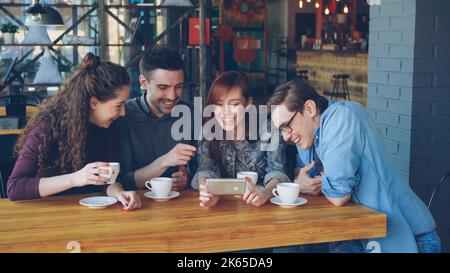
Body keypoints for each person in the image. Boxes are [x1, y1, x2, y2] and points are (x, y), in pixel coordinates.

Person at [268, 80, 440, 253]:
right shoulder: (307, 135)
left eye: (286, 126)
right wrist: (302, 180)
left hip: (407, 238)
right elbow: (304, 172)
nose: (285, 137)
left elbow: (338, 196)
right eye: (281, 130)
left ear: (310, 109)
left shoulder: (342, 117)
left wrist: (316, 184)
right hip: (361, 236)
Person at [7, 53, 141, 211]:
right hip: (45, 213)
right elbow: (14, 187)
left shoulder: (107, 125)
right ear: (94, 103)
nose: (123, 113)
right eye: (119, 105)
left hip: (86, 214)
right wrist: (75, 178)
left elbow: (106, 181)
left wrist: (119, 192)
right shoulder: (46, 127)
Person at [193, 71, 290, 208]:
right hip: (224, 208)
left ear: (248, 104)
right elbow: (205, 168)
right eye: (219, 104)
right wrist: (206, 191)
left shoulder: (268, 128)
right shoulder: (207, 131)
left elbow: (278, 171)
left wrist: (265, 193)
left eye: (234, 105)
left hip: (262, 209)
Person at [114, 45, 197, 191]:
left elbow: (204, 170)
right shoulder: (122, 115)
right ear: (143, 83)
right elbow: (122, 181)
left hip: (182, 207)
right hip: (136, 205)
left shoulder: (191, 114)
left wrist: (188, 177)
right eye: (163, 88)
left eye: (179, 86)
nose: (172, 96)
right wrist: (164, 161)